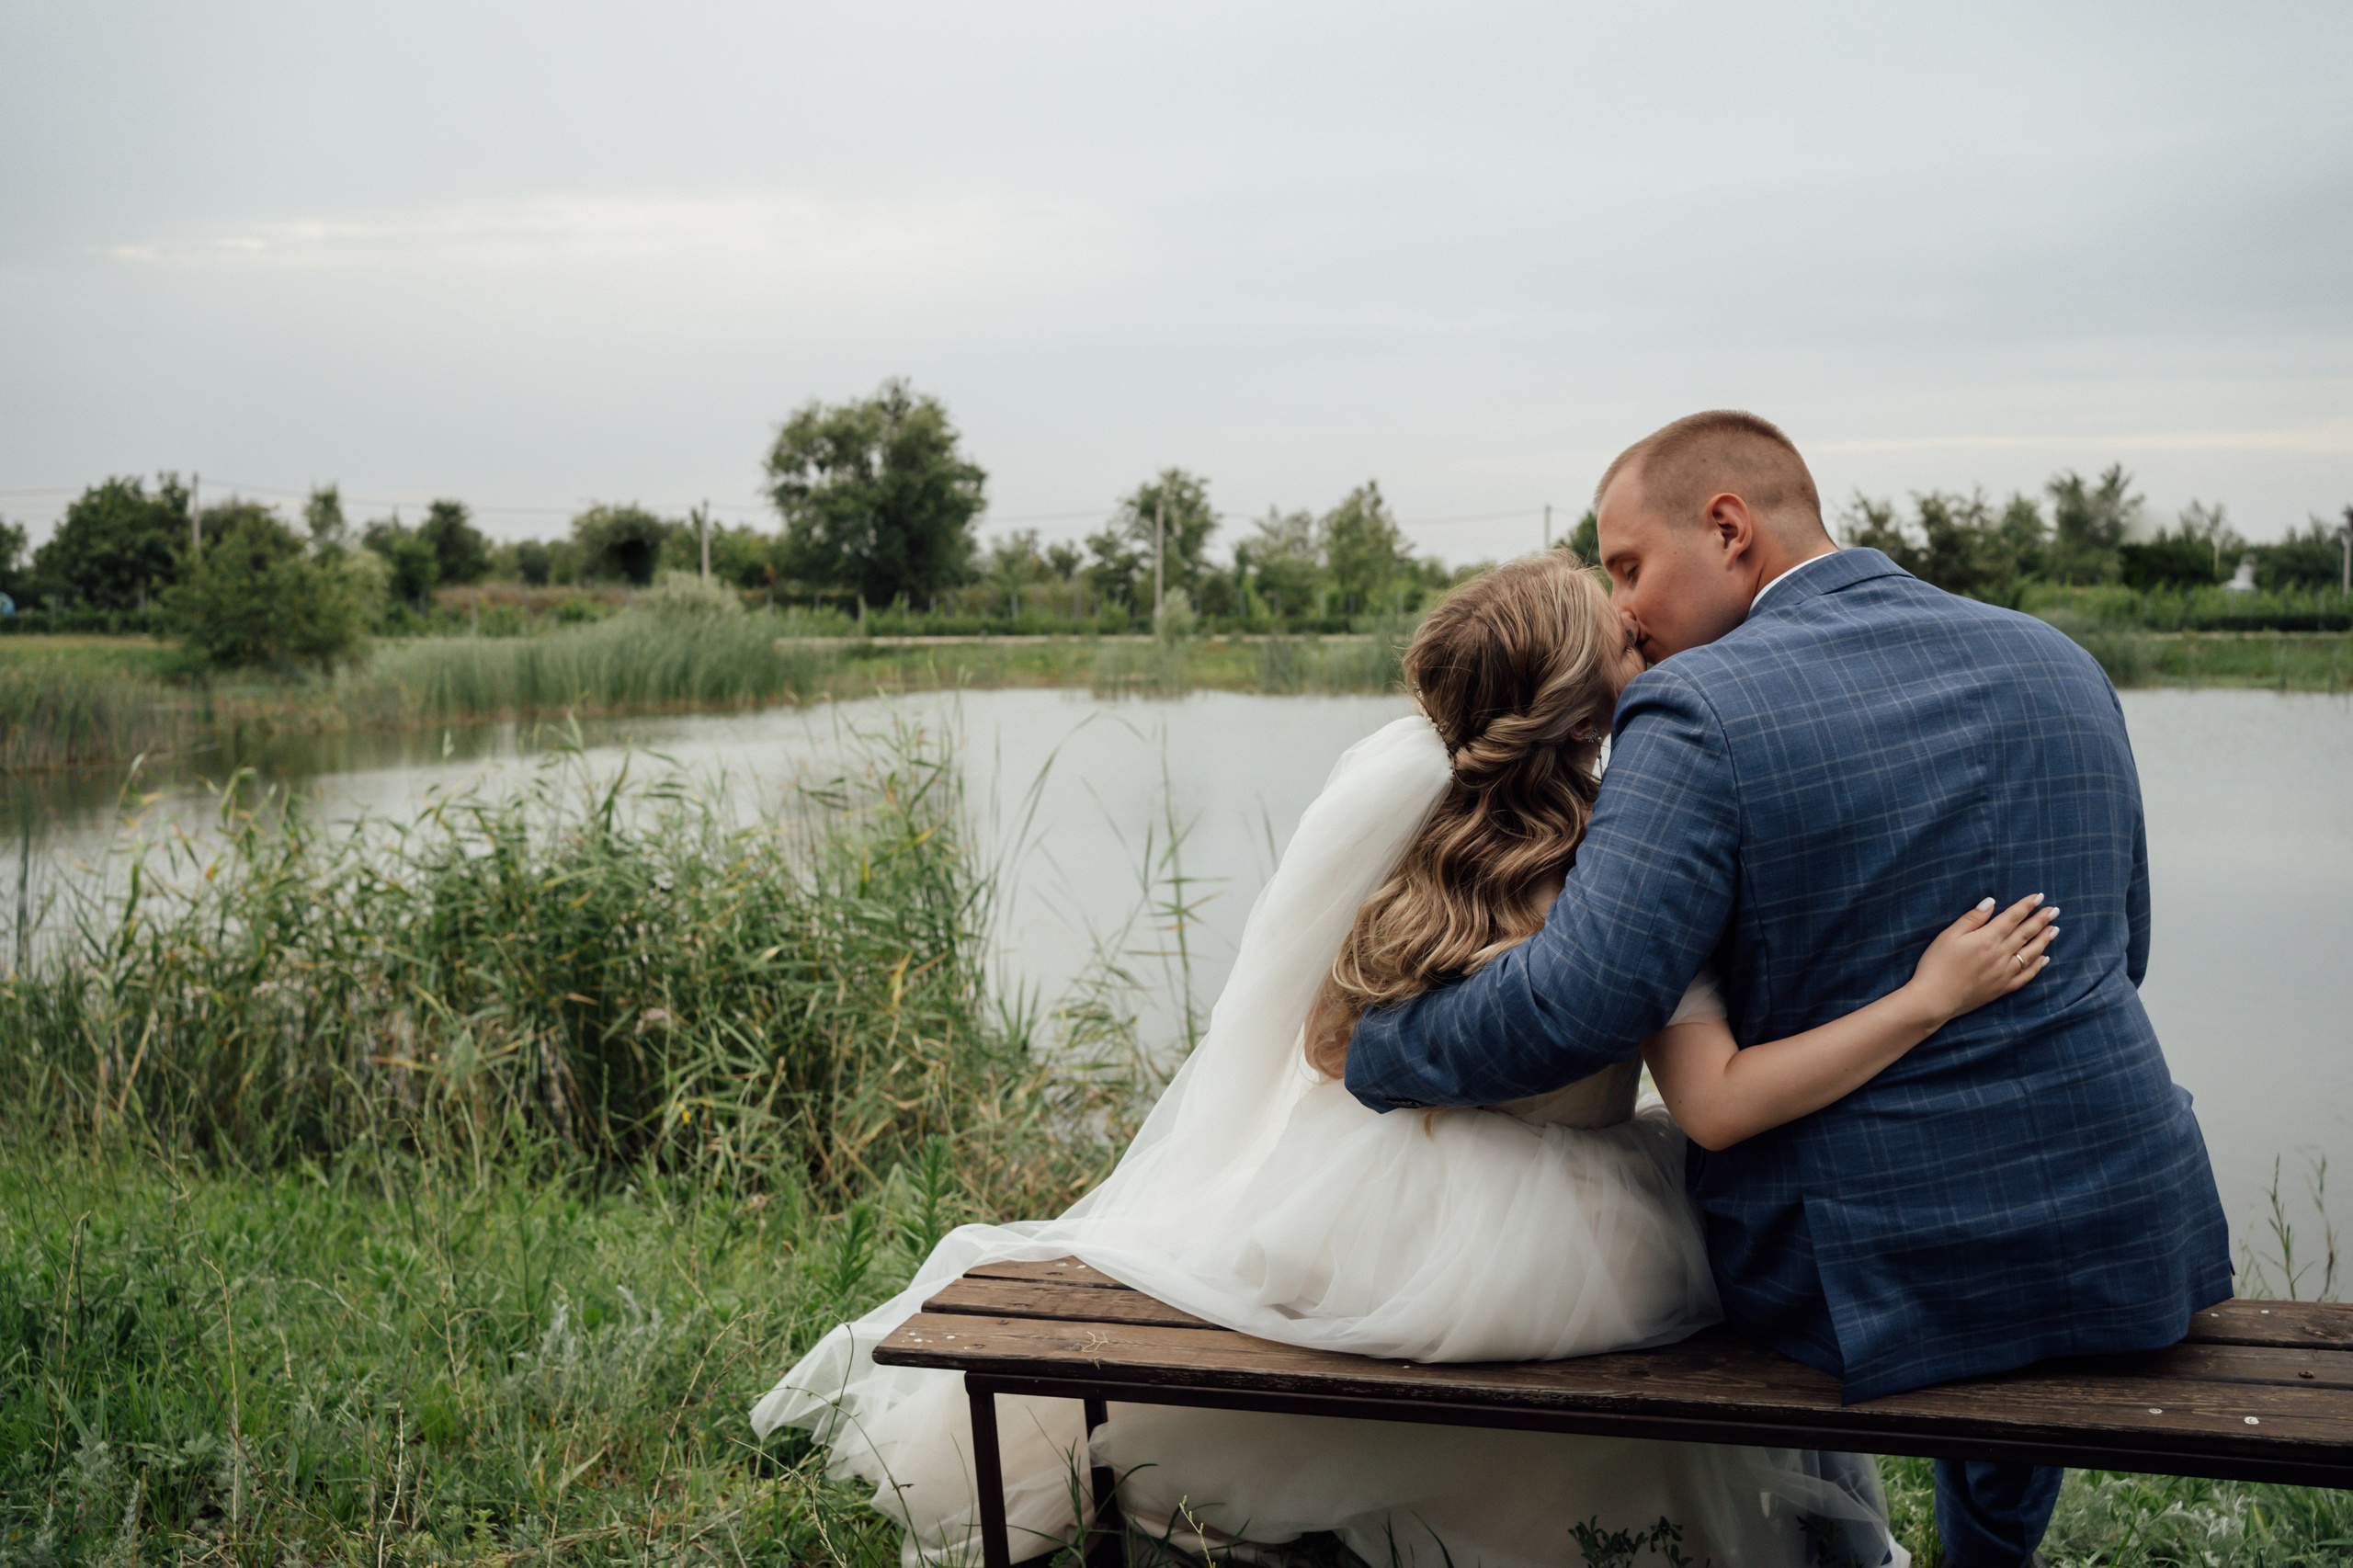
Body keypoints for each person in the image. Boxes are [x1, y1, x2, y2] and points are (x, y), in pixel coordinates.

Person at [753, 549, 2058, 1568]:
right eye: (1618, 626)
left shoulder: (1419, 848)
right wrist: (1925, 997)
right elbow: (1710, 1099)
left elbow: (1323, 1045)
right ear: (1591, 690)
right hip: (1559, 1227)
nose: (1639, 624)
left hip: (1356, 1198)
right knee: (1707, 1287)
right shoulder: (1634, 860)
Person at [1345, 411, 2232, 1568]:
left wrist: (1380, 1048)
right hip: (2130, 1225)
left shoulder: (1695, 707)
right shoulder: (2062, 659)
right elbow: (2123, 952)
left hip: (1860, 1263)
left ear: (1728, 529)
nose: (1619, 610)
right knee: (2002, 1257)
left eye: (1627, 566)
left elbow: (1578, 1005)